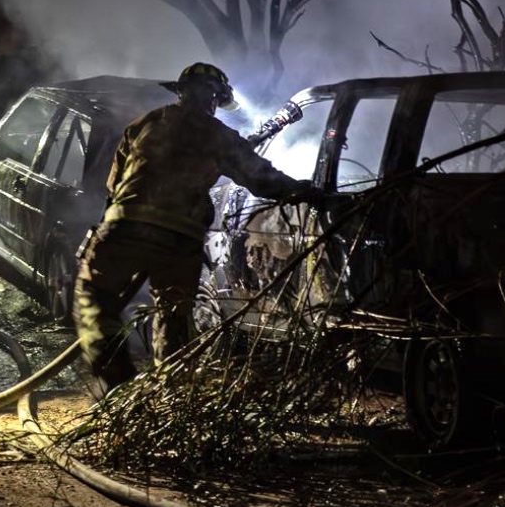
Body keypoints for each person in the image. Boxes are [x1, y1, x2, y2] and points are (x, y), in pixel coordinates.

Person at [71, 62, 323, 398]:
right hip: (179, 242)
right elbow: (262, 179)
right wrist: (308, 192)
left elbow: (114, 185)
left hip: (125, 230)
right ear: (215, 100)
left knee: (93, 298)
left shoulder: (144, 124)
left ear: (181, 93)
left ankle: (116, 389)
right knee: (173, 316)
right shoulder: (218, 135)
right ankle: (171, 396)